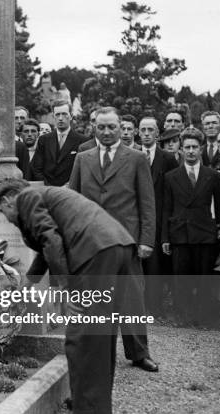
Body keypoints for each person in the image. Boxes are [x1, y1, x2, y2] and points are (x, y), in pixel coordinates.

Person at [0, 179, 142, 414]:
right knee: (99, 333)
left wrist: (66, 287)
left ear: (8, 201)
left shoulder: (26, 198)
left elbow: (51, 241)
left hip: (95, 252)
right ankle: (88, 403)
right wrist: (26, 285)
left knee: (80, 336)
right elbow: (46, 248)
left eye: (2, 212)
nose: (6, 218)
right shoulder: (42, 196)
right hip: (117, 247)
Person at [69, 106, 158, 372]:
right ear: (93, 128)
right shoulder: (82, 159)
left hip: (127, 242)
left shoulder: (136, 158)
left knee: (131, 298)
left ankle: (139, 353)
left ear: (121, 128)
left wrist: (146, 240)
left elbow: (147, 203)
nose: (106, 132)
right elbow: (72, 201)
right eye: (101, 127)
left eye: (112, 127)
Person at [162, 127, 220, 324]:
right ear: (181, 150)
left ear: (201, 149)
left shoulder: (213, 176)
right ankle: (182, 316)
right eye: (187, 147)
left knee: (203, 278)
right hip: (180, 233)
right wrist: (165, 237)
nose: (191, 151)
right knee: (181, 278)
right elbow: (167, 209)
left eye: (194, 147)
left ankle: (202, 317)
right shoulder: (171, 176)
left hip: (205, 233)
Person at [138, 117, 178, 316]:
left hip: (159, 217)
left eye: (150, 130)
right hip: (136, 218)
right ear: (138, 132)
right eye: (143, 129)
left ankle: (154, 307)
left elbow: (171, 193)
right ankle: (136, 306)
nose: (146, 133)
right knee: (136, 264)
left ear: (157, 133)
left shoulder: (168, 158)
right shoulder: (131, 155)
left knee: (155, 264)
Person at [29, 100, 87, 186]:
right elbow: (37, 168)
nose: (60, 118)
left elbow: (83, 170)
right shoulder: (44, 140)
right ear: (53, 116)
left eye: (64, 114)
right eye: (57, 114)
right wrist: (48, 187)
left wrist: (68, 186)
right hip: (47, 190)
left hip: (71, 191)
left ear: (71, 116)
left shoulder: (82, 140)